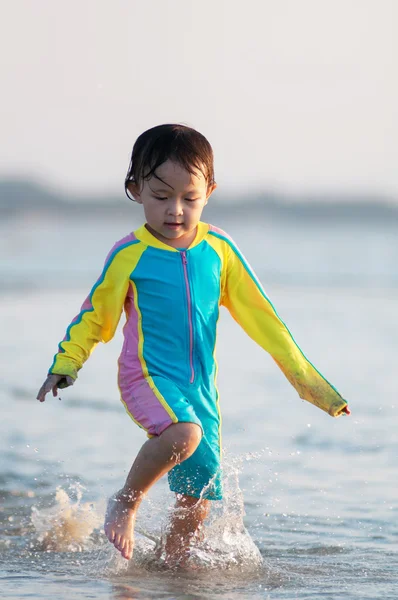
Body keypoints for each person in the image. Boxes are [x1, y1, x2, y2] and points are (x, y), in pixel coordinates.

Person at [36, 123, 350, 566]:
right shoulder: (130, 253)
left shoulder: (219, 249)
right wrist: (66, 363)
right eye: (161, 197)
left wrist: (312, 384)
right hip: (146, 376)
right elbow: (94, 317)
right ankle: (126, 501)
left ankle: (169, 570)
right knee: (183, 434)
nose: (176, 210)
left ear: (210, 191)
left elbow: (266, 320)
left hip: (201, 388)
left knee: (197, 494)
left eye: (190, 198)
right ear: (136, 189)